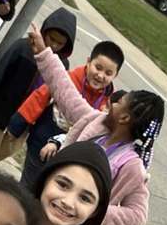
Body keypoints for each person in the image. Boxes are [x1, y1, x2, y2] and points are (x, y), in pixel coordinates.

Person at [28, 23, 164, 225]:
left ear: (124, 118)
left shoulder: (131, 166)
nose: (113, 102)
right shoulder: (93, 121)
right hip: (45, 210)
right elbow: (65, 91)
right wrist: (44, 53)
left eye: (120, 103)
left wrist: (93, 210)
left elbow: (138, 215)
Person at [0, 7, 76, 168]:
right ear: (44, 31)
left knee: (6, 150)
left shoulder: (62, 65)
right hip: (1, 109)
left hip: (25, 119)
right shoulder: (22, 47)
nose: (54, 45)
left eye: (60, 43)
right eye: (51, 38)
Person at [8, 40, 123, 188]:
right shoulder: (68, 79)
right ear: (88, 61)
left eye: (108, 73)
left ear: (115, 75)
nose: (100, 76)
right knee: (29, 186)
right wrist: (19, 122)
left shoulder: (109, 103)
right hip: (42, 141)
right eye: (98, 67)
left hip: (69, 154)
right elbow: (40, 97)